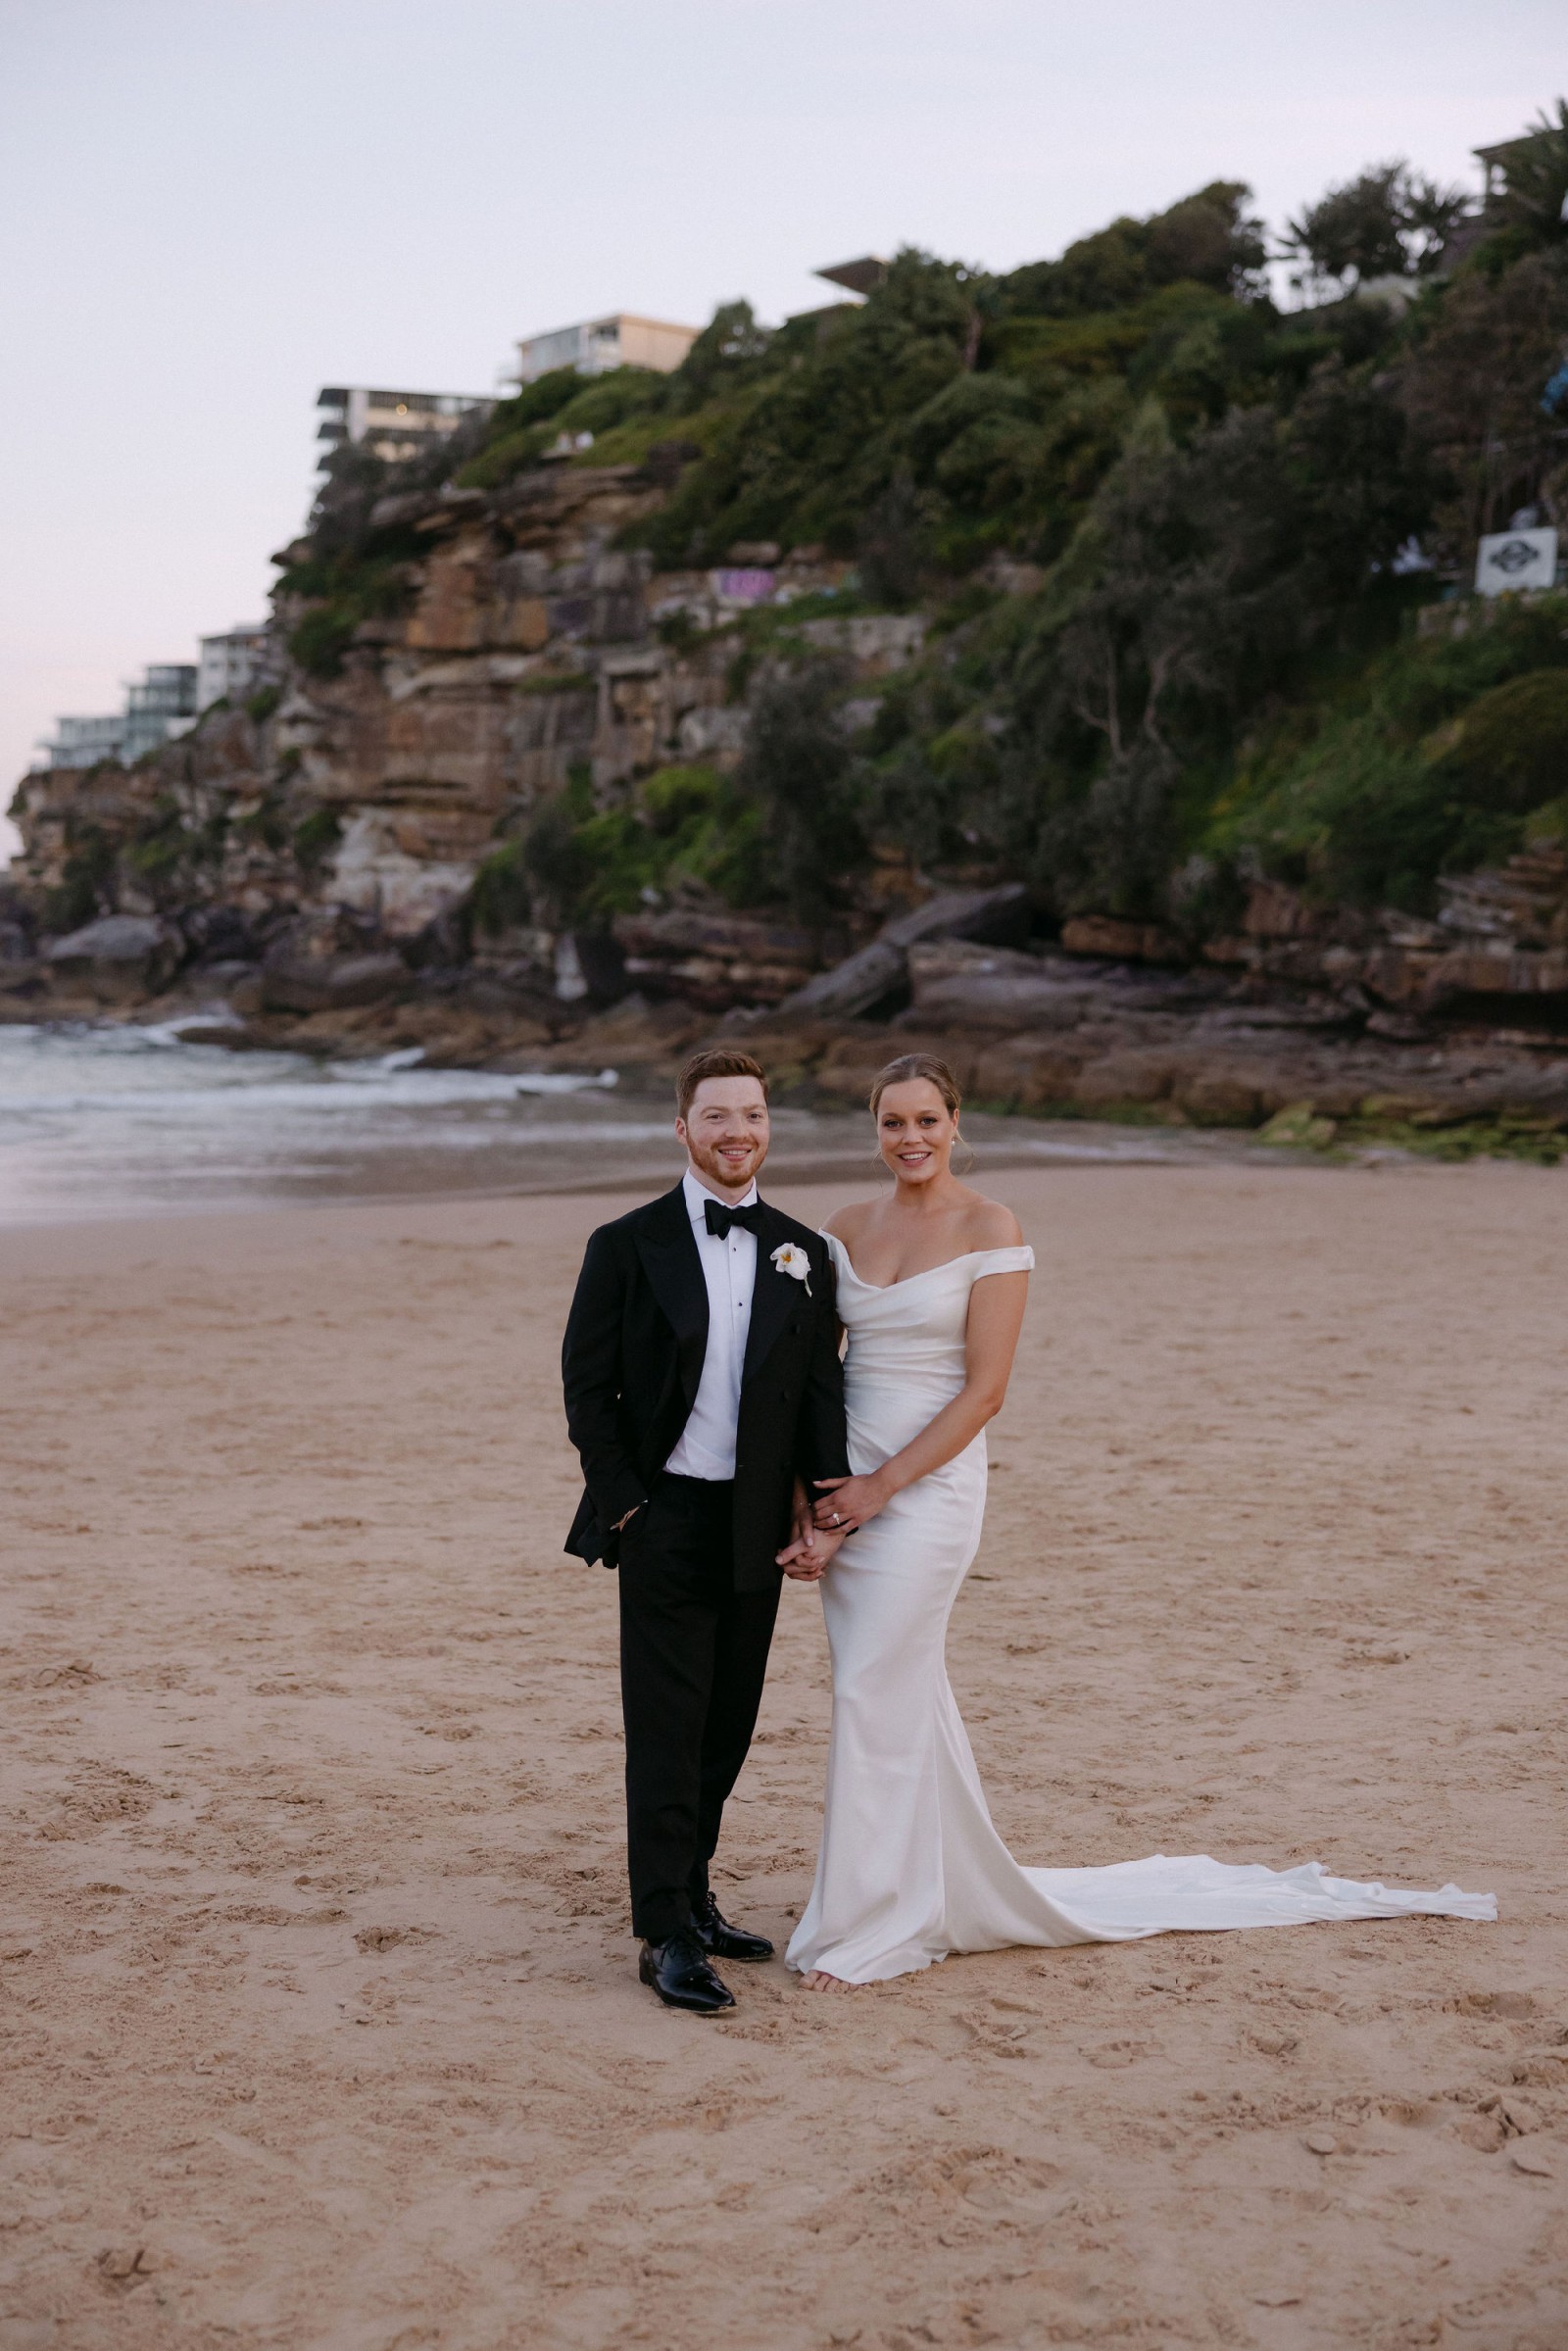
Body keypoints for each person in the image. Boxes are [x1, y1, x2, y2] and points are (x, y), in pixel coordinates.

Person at [783, 1052, 1495, 1989]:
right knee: (896, 1686)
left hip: (928, 1487)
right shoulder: (842, 1226)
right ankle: (923, 1887)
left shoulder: (992, 1226)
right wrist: (816, 1503)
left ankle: (873, 1921)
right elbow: (817, 1374)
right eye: (891, 1122)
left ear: (956, 1122)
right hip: (847, 1483)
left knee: (871, 1686)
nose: (909, 1138)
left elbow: (985, 1392)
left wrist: (881, 1488)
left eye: (926, 1120)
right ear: (873, 1129)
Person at [561, 1048, 851, 2014]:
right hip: (665, 1513)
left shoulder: (803, 1250)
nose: (737, 1131)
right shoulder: (624, 1242)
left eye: (753, 1114)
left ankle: (694, 1893)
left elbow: (819, 1390)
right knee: (666, 1727)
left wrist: (820, 1508)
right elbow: (587, 1385)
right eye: (717, 1115)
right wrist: (625, 1504)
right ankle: (664, 1932)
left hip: (756, 1520)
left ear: (769, 1126)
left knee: (727, 1722)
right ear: (682, 1128)